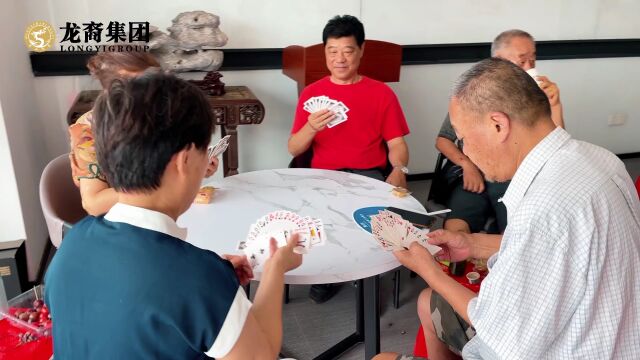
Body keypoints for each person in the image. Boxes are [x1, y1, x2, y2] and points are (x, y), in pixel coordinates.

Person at [381, 58, 640, 359]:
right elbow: (561, 248)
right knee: (430, 302)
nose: (464, 151)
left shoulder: (543, 207)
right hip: (615, 335)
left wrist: (430, 271)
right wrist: (472, 243)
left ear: (498, 125)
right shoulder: (601, 158)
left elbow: (503, 341)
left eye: (463, 139)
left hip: (568, 347)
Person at [45, 70, 303, 359]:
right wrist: (275, 270)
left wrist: (211, 275)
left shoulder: (73, 243)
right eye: (206, 151)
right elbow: (261, 355)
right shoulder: (198, 278)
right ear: (185, 160)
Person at [288, 14, 411, 304]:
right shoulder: (312, 93)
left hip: (367, 173)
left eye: (347, 50)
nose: (339, 58)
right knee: (318, 219)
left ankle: (365, 277)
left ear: (361, 51)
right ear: (325, 53)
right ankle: (328, 274)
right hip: (322, 174)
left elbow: (397, 143)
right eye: (332, 51)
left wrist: (399, 168)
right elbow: (294, 149)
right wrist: (311, 127)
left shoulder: (382, 93)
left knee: (370, 221)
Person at [436, 29, 564, 235]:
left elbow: (555, 147)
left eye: (533, 60)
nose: (530, 68)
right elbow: (443, 140)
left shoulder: (536, 98)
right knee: (456, 227)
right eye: (522, 61)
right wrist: (467, 164)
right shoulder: (473, 93)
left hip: (514, 179)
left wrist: (555, 106)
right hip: (474, 173)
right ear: (498, 61)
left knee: (516, 230)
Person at [68, 50, 218, 216]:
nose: (150, 95)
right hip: (121, 223)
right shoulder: (87, 129)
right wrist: (161, 184)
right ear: (111, 90)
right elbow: (93, 203)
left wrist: (196, 165)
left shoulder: (160, 114)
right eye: (139, 87)